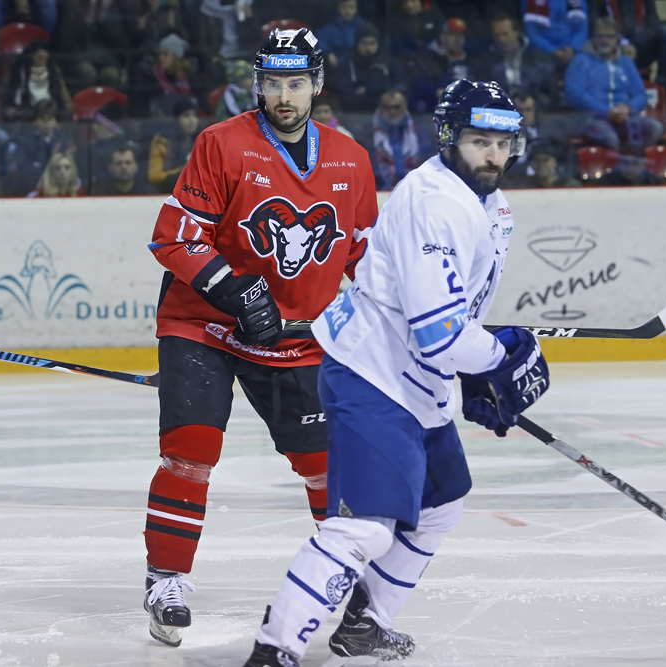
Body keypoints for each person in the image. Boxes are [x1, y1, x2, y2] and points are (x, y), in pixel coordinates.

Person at [244, 80, 550, 667]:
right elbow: (440, 332)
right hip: (374, 376)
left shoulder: (492, 205)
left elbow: (451, 317)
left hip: (415, 379)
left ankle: (366, 625)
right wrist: (498, 361)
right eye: (478, 141)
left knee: (441, 503)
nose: (492, 155)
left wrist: (478, 366)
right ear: (448, 138)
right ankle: (275, 649)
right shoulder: (435, 203)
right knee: (364, 530)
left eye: (502, 143)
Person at [143, 28, 377, 649]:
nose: (283, 96)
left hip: (298, 339)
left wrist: (411, 307)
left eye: (295, 83)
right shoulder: (222, 144)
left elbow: (366, 257)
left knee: (326, 467)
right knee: (190, 451)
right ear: (258, 84)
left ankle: (348, 586)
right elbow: (175, 239)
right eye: (272, 82)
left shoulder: (350, 159)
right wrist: (236, 291)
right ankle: (166, 580)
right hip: (205, 326)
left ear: (316, 85)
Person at [565, 17, 664, 152]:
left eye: (609, 36)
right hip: (591, 118)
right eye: (600, 36)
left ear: (617, 38)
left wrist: (628, 108)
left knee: (655, 128)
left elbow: (640, 94)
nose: (604, 40)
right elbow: (575, 95)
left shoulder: (626, 62)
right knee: (609, 138)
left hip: (623, 117)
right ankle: (617, 163)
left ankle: (633, 162)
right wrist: (606, 112)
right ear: (593, 38)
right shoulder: (580, 61)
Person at [485, 13, 557, 110]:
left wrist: (534, 106)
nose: (501, 39)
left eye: (505, 34)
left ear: (516, 32)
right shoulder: (488, 62)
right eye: (497, 35)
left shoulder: (538, 57)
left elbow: (551, 93)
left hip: (535, 110)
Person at [334, 22, 401, 113]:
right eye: (364, 43)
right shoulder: (346, 63)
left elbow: (399, 87)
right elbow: (346, 95)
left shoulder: (389, 63)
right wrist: (378, 94)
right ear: (357, 43)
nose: (368, 47)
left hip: (386, 111)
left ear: (378, 43)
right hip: (354, 113)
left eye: (372, 43)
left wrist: (368, 90)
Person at [4, 40, 73, 121]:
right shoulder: (20, 70)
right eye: (39, 58)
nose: (42, 62)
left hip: (50, 108)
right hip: (27, 110)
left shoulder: (52, 71)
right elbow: (14, 96)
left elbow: (60, 94)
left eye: (45, 59)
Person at [372, 89, 423, 190]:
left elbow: (426, 159)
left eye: (396, 107)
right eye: (387, 107)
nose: (392, 111)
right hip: (380, 190)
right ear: (380, 108)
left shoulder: (420, 130)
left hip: (415, 187)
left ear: (405, 106)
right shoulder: (368, 131)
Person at [148, 97, 200, 191]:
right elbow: (154, 177)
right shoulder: (162, 141)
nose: (192, 120)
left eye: (195, 115)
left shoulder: (204, 141)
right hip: (168, 192)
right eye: (186, 115)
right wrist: (184, 170)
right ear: (176, 119)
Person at [523, 0, 588, 68]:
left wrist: (572, 48)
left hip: (572, 52)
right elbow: (531, 33)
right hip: (541, 53)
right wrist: (552, 50)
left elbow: (581, 30)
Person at [316, 0, 365, 67]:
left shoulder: (363, 26)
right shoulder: (330, 28)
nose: (347, 11)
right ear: (338, 8)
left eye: (351, 7)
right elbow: (318, 40)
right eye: (344, 7)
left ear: (356, 8)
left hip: (360, 63)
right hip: (338, 65)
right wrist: (329, 52)